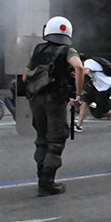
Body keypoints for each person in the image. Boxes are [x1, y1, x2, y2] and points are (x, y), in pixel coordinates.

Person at [22, 16, 85, 197]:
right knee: (55, 141)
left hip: (36, 100)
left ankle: (41, 176)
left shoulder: (39, 48)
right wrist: (78, 95)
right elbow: (79, 68)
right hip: (55, 101)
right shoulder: (68, 50)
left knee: (41, 139)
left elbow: (26, 75)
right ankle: (47, 183)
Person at [77, 57, 111, 131]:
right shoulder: (89, 63)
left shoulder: (88, 62)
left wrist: (77, 72)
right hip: (96, 86)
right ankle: (79, 125)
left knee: (101, 111)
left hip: (105, 87)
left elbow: (85, 72)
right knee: (85, 100)